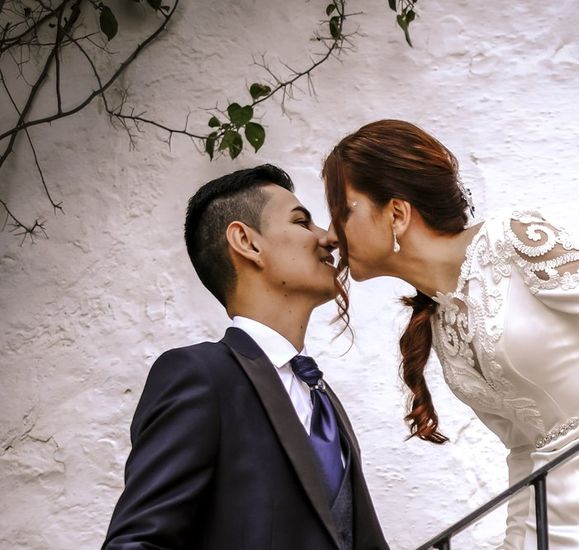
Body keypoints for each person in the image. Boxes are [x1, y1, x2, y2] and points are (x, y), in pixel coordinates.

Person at [318, 120, 579, 549]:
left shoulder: (511, 241)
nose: (331, 234)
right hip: (545, 515)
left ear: (396, 212)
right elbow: (523, 449)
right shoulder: (439, 320)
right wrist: (517, 539)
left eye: (342, 209)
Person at [102, 165, 388, 550]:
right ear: (247, 242)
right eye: (302, 222)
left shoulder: (322, 396)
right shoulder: (200, 375)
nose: (328, 239)